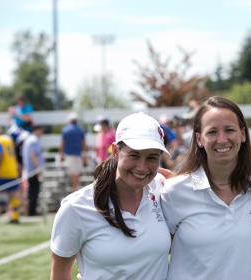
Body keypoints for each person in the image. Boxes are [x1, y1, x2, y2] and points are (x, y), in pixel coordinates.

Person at [50, 112, 171, 280]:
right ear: (115, 151)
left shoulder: (163, 191)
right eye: (134, 155)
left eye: (152, 158)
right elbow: (60, 273)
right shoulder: (76, 207)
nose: (142, 167)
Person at [161, 96, 251, 280]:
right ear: (199, 139)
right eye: (212, 132)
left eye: (229, 130)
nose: (222, 139)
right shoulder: (174, 192)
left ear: (243, 134)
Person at [59, 112, 87, 192]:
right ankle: (75, 189)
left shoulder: (65, 130)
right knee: (77, 174)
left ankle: (73, 191)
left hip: (68, 155)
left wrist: (61, 155)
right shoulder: (80, 130)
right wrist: (85, 157)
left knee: (71, 174)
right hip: (78, 155)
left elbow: (62, 144)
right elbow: (84, 144)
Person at [22, 126, 44, 216]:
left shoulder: (28, 140)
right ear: (37, 130)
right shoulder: (34, 140)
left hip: (29, 170)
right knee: (34, 192)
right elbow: (33, 155)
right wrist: (38, 169)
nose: (42, 134)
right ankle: (32, 211)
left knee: (31, 191)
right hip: (34, 171)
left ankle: (30, 211)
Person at [0, 131, 21, 223]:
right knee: (14, 194)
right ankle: (15, 217)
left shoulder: (0, 141)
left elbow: (0, 156)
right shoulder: (8, 139)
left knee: (1, 194)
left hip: (3, 171)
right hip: (13, 171)